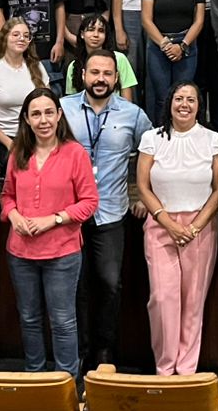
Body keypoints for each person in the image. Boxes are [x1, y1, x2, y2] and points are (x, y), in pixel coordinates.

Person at [62, 49, 154, 369]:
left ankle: (104, 351)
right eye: (94, 72)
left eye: (107, 74)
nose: (100, 79)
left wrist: (146, 197)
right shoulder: (63, 110)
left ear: (116, 78)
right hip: (68, 215)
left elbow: (154, 154)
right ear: (83, 76)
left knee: (110, 284)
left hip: (111, 212)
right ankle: (79, 351)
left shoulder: (133, 114)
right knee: (75, 286)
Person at [3, 88, 100, 375]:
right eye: (36, 114)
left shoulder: (75, 153)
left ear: (59, 115)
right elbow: (7, 196)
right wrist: (14, 215)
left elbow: (89, 202)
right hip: (21, 253)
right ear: (26, 119)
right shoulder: (18, 152)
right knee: (29, 318)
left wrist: (54, 219)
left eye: (48, 112)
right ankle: (34, 376)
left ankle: (65, 380)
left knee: (62, 321)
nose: (43, 120)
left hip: (62, 253)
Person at [138, 82, 218, 375]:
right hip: (161, 224)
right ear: (170, 102)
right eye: (178, 98)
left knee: (193, 301)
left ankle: (186, 371)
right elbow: (143, 186)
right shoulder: (152, 138)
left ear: (200, 105)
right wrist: (168, 223)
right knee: (163, 299)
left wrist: (195, 226)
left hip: (200, 227)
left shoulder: (213, 139)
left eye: (191, 99)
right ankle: (165, 368)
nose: (184, 104)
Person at [140, 0, 206, 116]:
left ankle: (182, 130)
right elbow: (146, 20)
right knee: (162, 98)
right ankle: (163, 132)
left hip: (187, 47)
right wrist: (166, 45)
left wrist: (182, 46)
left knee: (182, 97)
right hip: (158, 46)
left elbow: (199, 21)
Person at [0, 19, 46, 158]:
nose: (22, 38)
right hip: (5, 140)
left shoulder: (38, 67)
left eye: (26, 36)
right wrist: (10, 144)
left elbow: (48, 103)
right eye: (16, 34)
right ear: (5, 37)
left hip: (37, 136)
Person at [64, 14, 137, 103]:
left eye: (101, 31)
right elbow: (72, 102)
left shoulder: (119, 59)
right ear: (82, 34)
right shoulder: (73, 66)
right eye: (91, 30)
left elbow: (127, 100)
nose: (96, 35)